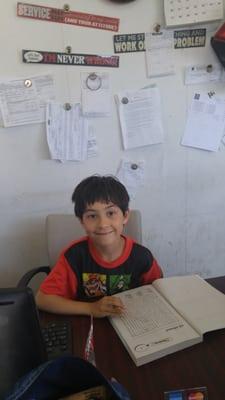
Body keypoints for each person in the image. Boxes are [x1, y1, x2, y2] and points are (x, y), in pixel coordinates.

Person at [36, 175, 162, 318]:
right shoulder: (74, 256)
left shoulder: (142, 257)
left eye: (110, 213)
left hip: (133, 323)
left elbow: (160, 292)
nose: (103, 224)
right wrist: (91, 308)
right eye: (92, 216)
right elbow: (42, 299)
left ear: (125, 216)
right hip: (87, 324)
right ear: (82, 221)